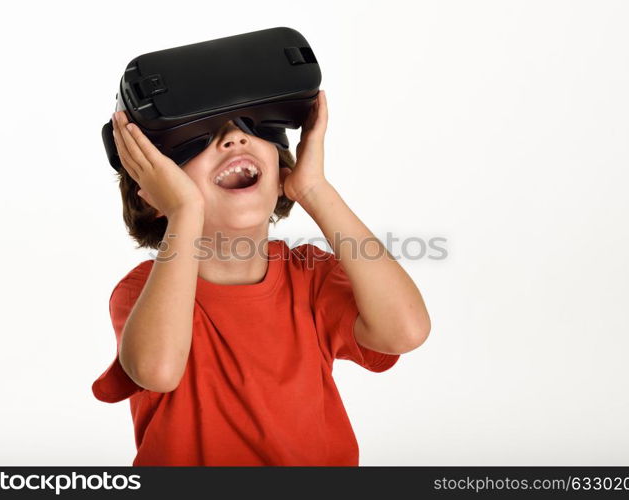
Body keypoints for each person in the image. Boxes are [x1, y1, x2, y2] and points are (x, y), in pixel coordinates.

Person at [91, 90, 431, 465]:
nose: (233, 137)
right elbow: (158, 370)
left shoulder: (310, 275)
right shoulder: (142, 291)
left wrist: (314, 190)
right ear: (154, 196)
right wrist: (184, 210)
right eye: (198, 138)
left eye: (251, 126)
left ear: (282, 170)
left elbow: (405, 330)